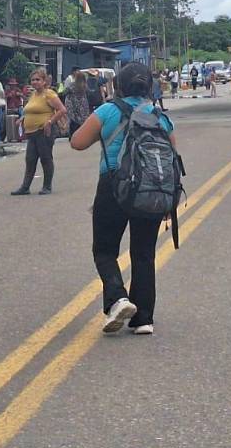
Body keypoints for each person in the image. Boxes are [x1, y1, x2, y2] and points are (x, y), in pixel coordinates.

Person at [70, 62, 176, 336]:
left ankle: (118, 298)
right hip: (150, 187)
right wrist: (168, 201)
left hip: (113, 186)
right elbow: (172, 159)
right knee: (143, 254)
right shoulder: (160, 116)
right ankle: (144, 319)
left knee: (104, 250)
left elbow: (77, 142)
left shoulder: (108, 110)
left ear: (118, 85)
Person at [10, 69, 67, 196]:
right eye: (33, 80)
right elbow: (31, 110)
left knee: (45, 158)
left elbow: (62, 110)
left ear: (44, 81)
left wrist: (50, 122)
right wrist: (23, 118)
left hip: (44, 131)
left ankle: (47, 186)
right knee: (30, 159)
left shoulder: (49, 94)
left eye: (38, 80)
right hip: (32, 132)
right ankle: (25, 187)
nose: (35, 82)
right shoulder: (33, 95)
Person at [64, 70, 91, 137]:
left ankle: (73, 135)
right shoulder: (85, 86)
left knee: (73, 120)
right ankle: (82, 134)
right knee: (83, 120)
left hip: (73, 103)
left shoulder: (72, 85)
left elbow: (66, 91)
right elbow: (88, 92)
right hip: (82, 104)